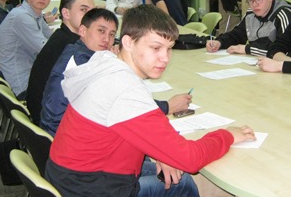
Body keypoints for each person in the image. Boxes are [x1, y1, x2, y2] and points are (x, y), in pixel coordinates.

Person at [45, 5, 255, 197]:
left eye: (169, 48)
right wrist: (227, 135)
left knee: (181, 184)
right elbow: (189, 159)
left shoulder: (105, 66)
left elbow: (122, 130)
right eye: (156, 48)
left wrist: (161, 153)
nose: (165, 58)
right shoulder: (124, 89)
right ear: (128, 42)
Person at [40, 8, 192, 136]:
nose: (107, 39)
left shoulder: (78, 51)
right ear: (83, 30)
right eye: (101, 31)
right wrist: (167, 106)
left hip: (62, 135)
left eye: (112, 34)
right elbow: (130, 104)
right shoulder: (83, 62)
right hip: (59, 134)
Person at [24, 0, 95, 122]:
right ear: (66, 13)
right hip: (49, 121)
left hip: (38, 113)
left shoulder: (60, 35)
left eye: (93, 12)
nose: (92, 17)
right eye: (84, 10)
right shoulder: (73, 46)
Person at [0, 0, 54, 99]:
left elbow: (52, 38)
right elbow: (47, 50)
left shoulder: (35, 14)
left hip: (25, 70)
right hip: (22, 84)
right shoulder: (22, 17)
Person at [206, 0, 291, 56]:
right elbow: (237, 34)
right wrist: (220, 42)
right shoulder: (251, 14)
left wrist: (247, 49)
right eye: (250, 0)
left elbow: (284, 50)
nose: (254, 4)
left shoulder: (284, 15)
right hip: (255, 62)